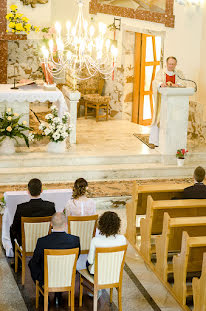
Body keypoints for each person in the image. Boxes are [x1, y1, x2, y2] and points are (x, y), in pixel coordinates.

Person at [28, 212, 80, 287]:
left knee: (32, 263)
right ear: (66, 224)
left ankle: (42, 291)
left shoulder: (42, 241)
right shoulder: (75, 240)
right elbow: (76, 257)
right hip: (66, 276)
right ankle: (58, 295)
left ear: (51, 224)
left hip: (48, 276)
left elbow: (35, 260)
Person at [149, 56, 186, 148]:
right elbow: (155, 82)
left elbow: (184, 83)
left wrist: (177, 85)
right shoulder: (161, 73)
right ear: (166, 63)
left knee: (173, 120)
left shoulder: (179, 73)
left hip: (175, 103)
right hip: (162, 101)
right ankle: (156, 141)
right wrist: (160, 84)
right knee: (159, 118)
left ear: (176, 64)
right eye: (169, 64)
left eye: (173, 64)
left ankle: (172, 142)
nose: (171, 66)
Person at [10, 178, 55, 251]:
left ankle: (17, 260)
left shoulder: (21, 208)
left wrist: (20, 240)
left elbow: (15, 227)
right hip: (45, 242)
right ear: (41, 191)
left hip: (26, 243)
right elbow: (54, 225)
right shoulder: (50, 206)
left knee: (12, 228)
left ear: (28, 191)